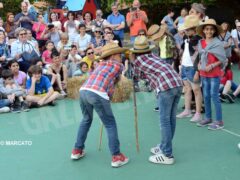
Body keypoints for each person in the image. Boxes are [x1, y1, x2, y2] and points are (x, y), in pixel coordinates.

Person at [71, 42, 129, 168]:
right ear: (113, 56)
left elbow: (110, 82)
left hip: (84, 91)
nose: (121, 57)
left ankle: (77, 150)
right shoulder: (118, 65)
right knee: (110, 124)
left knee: (86, 119)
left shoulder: (100, 64)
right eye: (119, 54)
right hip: (97, 93)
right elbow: (116, 82)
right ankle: (117, 156)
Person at [129, 36, 183, 165]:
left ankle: (167, 154)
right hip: (177, 83)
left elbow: (136, 76)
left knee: (164, 120)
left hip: (165, 87)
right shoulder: (154, 56)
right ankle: (164, 146)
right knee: (171, 119)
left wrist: (132, 61)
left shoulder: (138, 61)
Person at [196, 19, 227, 130]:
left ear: (214, 31)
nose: (209, 31)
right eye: (207, 29)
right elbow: (201, 56)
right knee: (206, 96)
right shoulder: (201, 43)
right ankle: (208, 118)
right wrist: (199, 64)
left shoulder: (217, 43)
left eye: (211, 29)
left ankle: (219, 121)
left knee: (214, 96)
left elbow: (223, 59)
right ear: (203, 30)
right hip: (204, 73)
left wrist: (213, 65)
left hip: (214, 74)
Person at [176, 15, 203, 123]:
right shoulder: (186, 38)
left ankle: (198, 113)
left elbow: (201, 56)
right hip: (185, 66)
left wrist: (197, 70)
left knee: (196, 90)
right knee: (187, 89)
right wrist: (181, 64)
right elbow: (185, 51)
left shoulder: (199, 40)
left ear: (194, 29)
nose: (186, 31)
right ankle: (187, 110)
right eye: (185, 29)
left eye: (188, 29)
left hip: (193, 67)